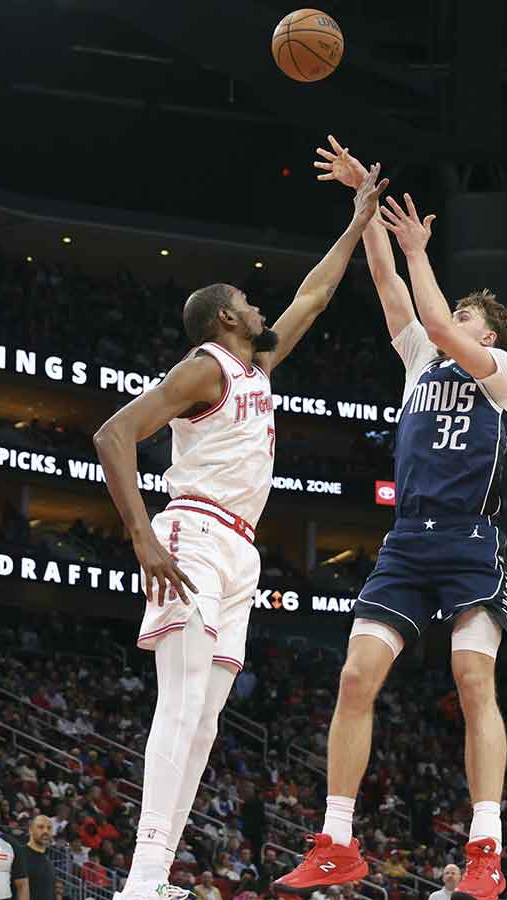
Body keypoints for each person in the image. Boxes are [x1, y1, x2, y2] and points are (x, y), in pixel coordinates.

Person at [93, 163, 387, 900]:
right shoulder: (204, 368)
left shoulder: (256, 363)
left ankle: (155, 875)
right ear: (225, 316)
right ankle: (142, 879)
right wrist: (143, 538)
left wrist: (355, 224)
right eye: (248, 302)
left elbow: (313, 296)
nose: (261, 308)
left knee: (208, 722)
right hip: (191, 535)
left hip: (240, 552)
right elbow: (114, 434)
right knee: (183, 702)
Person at [275, 139, 507, 900]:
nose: (452, 316)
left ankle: (486, 846)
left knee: (470, 676)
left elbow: (437, 321)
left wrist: (423, 251)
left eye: (466, 312)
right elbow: (387, 283)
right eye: (454, 307)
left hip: (468, 540)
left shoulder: (501, 374)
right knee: (354, 676)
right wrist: (365, 209)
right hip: (407, 542)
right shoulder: (421, 358)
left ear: (489, 334)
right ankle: (337, 840)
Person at [19, 815, 54, 900]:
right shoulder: (19, 855)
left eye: (49, 828)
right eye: (41, 827)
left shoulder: (48, 860)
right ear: (30, 830)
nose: (45, 831)